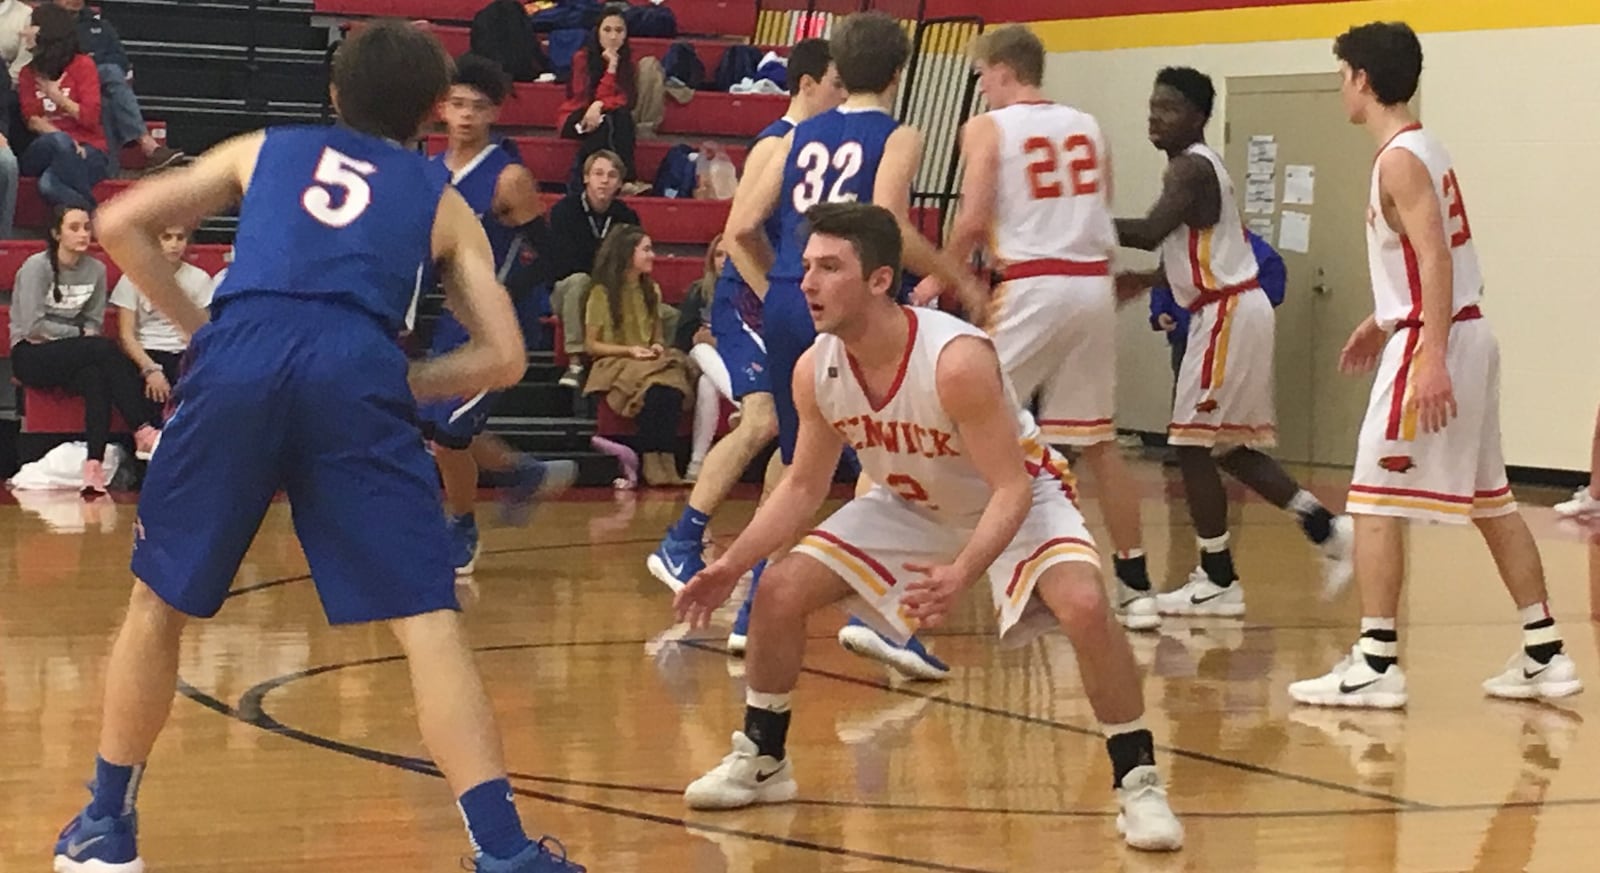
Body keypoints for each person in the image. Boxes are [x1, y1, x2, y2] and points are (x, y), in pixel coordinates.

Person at [52, 21, 583, 873]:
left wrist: (204, 332)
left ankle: (105, 826)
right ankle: (504, 850)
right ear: (431, 115)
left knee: (158, 605)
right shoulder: (444, 199)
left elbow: (120, 221)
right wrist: (394, 380)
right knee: (427, 620)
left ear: (334, 96)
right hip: (358, 366)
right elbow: (506, 354)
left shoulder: (265, 147)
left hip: (240, 354)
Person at [673, 202, 1184, 852]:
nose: (807, 283)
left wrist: (961, 574)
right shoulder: (816, 369)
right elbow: (803, 486)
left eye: (830, 267)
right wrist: (730, 565)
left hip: (1019, 498)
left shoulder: (955, 360)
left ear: (880, 279)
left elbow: (1010, 487)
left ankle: (1138, 779)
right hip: (912, 503)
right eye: (806, 267)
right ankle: (763, 757)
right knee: (777, 590)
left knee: (1085, 605)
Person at [1288, 22, 1581, 708]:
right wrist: (1382, 318)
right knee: (1493, 501)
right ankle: (1545, 650)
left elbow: (1436, 258)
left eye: (1342, 75)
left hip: (1440, 338)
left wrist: (1429, 352)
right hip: (1456, 331)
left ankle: (1377, 659)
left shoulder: (1398, 158)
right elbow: (1425, 262)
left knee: (1372, 497)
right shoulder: (1425, 146)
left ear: (1362, 78)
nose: (1341, 88)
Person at [939, 24, 1159, 631]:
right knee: (1097, 440)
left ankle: (945, 569)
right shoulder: (1088, 125)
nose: (980, 89)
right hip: (1090, 282)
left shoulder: (987, 127)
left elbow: (974, 218)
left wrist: (939, 278)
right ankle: (1137, 586)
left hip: (1034, 283)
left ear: (1002, 70)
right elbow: (1101, 209)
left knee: (954, 417)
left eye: (982, 76)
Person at [1114, 66, 1351, 616]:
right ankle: (1325, 529)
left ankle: (1218, 578)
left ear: (1199, 117)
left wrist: (1073, 221)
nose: (1155, 117)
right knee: (1227, 447)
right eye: (1152, 106)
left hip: (1224, 314)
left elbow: (1149, 232)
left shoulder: (1191, 168)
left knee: (1192, 444)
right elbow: (1194, 252)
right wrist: (1150, 281)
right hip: (1228, 309)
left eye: (1168, 108)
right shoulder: (1193, 169)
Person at [646, 37, 844, 650]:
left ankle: (758, 574)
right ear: (808, 83)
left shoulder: (818, 147)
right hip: (748, 300)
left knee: (794, 433)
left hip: (780, 300)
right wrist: (784, 296)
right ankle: (684, 540)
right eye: (837, 84)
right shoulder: (778, 140)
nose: (842, 95)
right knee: (762, 422)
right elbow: (737, 235)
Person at [416, 53, 576, 576]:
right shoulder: (427, 171)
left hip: (498, 322)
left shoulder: (508, 178)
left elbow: (550, 252)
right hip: (447, 317)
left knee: (450, 433)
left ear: (493, 114)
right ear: (441, 109)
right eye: (457, 104)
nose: (465, 115)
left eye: (477, 107)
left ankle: (461, 525)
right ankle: (523, 472)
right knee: (433, 424)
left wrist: (502, 294)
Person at [10, 206, 159, 493]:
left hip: (72, 353)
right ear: (56, 233)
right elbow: (32, 328)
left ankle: (93, 467)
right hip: (30, 354)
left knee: (95, 376)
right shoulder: (36, 267)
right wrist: (77, 334)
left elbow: (94, 322)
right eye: (74, 228)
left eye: (87, 228)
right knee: (102, 349)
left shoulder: (96, 270)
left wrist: (76, 337)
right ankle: (141, 427)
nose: (83, 234)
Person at [582, 223, 692, 486]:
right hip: (614, 361)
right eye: (646, 249)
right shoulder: (601, 292)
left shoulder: (651, 289)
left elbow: (657, 337)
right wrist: (629, 350)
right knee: (656, 389)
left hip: (645, 360)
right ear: (627, 254)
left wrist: (655, 347)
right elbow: (591, 345)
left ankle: (667, 461)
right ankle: (651, 461)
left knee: (672, 386)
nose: (652, 255)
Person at [53, 0, 185, 171]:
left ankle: (110, 169)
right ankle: (147, 144)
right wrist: (86, 66)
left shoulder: (99, 25)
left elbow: (120, 59)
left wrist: (91, 68)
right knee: (110, 72)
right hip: (63, 79)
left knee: (106, 101)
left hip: (96, 83)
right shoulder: (47, 23)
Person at [547, 149, 640, 388]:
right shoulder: (564, 211)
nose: (604, 180)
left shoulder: (627, 216)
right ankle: (576, 362)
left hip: (609, 289)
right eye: (598, 173)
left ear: (619, 182)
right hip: (568, 289)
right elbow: (564, 263)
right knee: (580, 281)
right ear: (586, 177)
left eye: (611, 175)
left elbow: (630, 261)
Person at [111, 223, 212, 427]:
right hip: (147, 351)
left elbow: (204, 330)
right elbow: (126, 335)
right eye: (167, 238)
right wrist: (150, 369)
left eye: (180, 238)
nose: (174, 245)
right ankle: (147, 436)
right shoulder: (133, 277)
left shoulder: (199, 278)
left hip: (183, 352)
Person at [1151, 229, 1284, 378]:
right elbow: (1166, 279)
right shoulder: (1181, 243)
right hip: (1188, 334)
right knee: (1187, 393)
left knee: (1229, 392)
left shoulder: (1249, 247)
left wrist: (1243, 311)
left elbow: (1273, 286)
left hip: (1231, 337)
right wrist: (1160, 311)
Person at [17, 4, 109, 211]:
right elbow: (32, 120)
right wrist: (67, 142)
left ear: (45, 31)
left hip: (89, 148)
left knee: (48, 184)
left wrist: (58, 98)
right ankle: (97, 215)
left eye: (31, 26)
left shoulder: (83, 65)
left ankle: (86, 212)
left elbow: (90, 118)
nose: (23, 33)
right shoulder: (27, 73)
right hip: (45, 148)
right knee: (58, 141)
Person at [556, 3, 636, 195]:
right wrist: (598, 103)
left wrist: (600, 103)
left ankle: (618, 179)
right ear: (598, 32)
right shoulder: (581, 58)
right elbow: (581, 96)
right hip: (575, 115)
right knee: (607, 122)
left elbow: (625, 99)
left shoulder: (626, 63)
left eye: (619, 30)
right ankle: (592, 180)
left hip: (605, 115)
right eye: (607, 30)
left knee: (619, 118)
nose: (613, 36)